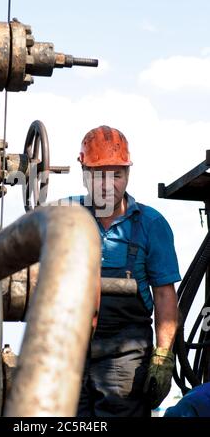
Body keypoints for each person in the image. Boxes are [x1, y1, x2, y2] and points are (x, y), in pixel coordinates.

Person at [68, 125, 180, 417]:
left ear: (128, 175)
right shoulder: (63, 218)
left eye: (116, 174)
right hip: (68, 348)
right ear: (83, 175)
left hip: (125, 354)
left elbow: (165, 295)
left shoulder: (150, 225)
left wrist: (163, 355)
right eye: (98, 174)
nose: (108, 184)